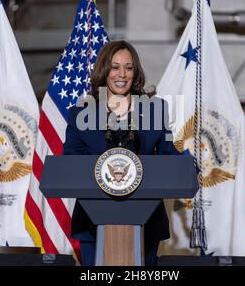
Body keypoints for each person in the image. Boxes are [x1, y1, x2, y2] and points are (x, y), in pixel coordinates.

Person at [63, 40, 179, 266]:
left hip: (146, 220)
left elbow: (167, 154)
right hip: (92, 221)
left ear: (135, 73)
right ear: (104, 71)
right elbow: (70, 162)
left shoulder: (155, 110)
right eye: (115, 67)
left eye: (128, 67)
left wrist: (185, 163)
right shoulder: (81, 114)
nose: (122, 74)